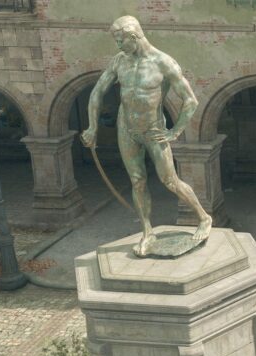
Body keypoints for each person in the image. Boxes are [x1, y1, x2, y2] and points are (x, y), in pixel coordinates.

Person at [80, 15, 212, 257]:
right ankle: (147, 232)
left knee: (169, 181)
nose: (118, 46)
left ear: (133, 37)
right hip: (126, 128)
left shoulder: (163, 63)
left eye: (120, 41)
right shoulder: (119, 61)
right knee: (137, 181)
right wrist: (92, 127)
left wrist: (175, 131)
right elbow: (97, 92)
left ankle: (203, 217)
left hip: (153, 130)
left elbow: (191, 100)